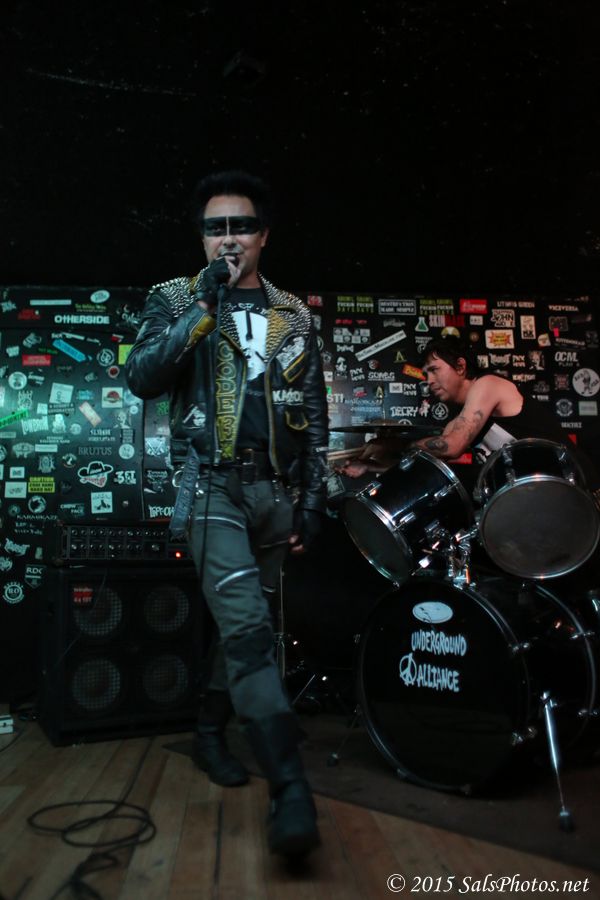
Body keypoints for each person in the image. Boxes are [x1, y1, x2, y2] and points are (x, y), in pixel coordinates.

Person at [125, 170, 329, 857]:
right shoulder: (175, 297)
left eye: (241, 225)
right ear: (202, 238)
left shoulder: (294, 314)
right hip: (209, 487)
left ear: (263, 235)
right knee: (247, 631)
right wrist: (203, 307)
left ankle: (210, 730)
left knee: (248, 628)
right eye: (215, 228)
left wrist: (313, 501)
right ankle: (290, 790)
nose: (229, 238)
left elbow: (316, 417)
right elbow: (142, 376)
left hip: (273, 494)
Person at [340, 336, 599, 495]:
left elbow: (451, 446)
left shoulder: (487, 385)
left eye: (434, 369)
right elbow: (429, 462)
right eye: (425, 373)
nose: (428, 380)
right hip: (544, 494)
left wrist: (394, 445)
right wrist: (369, 466)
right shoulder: (461, 417)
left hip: (581, 489)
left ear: (461, 366)